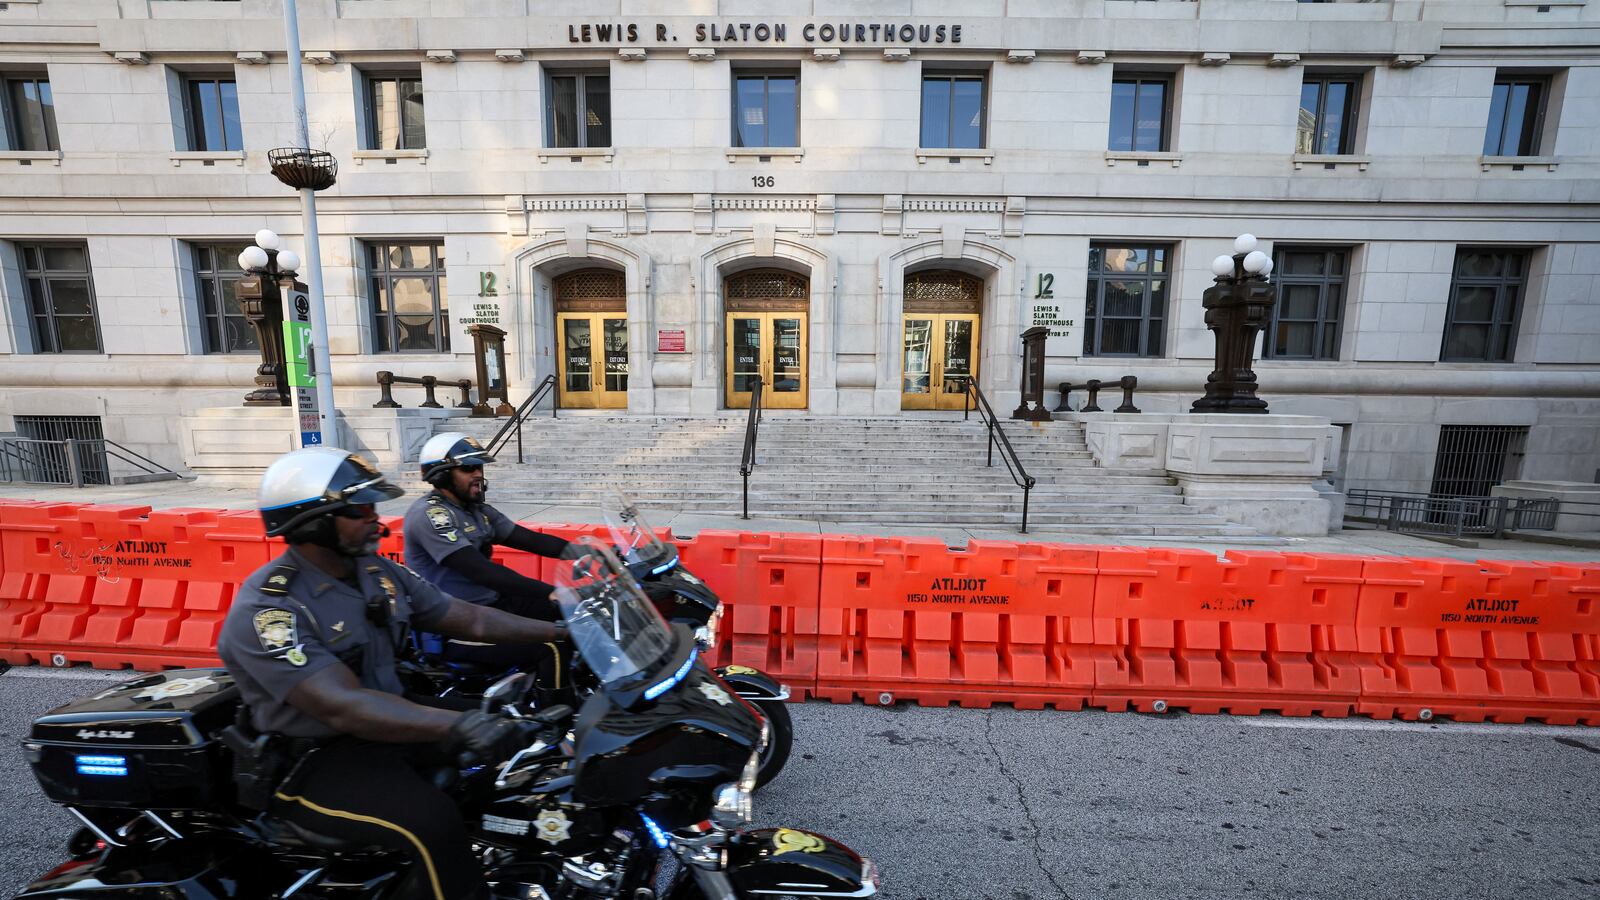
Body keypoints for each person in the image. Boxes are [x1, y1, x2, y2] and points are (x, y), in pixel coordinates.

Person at [217, 446, 568, 900]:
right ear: (313, 522)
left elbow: (469, 618)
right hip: (317, 758)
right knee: (433, 823)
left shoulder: (374, 571)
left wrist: (563, 631)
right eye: (360, 509)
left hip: (391, 719)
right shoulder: (271, 609)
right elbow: (344, 706)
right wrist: (460, 724)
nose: (374, 517)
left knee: (527, 745)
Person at [402, 433, 571, 669]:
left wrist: (584, 551)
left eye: (479, 467)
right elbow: (481, 571)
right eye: (468, 468)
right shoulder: (430, 516)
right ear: (442, 476)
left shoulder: (476, 510)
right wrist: (550, 591)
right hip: (457, 624)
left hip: (492, 606)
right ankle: (558, 695)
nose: (478, 474)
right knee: (553, 647)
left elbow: (530, 540)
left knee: (579, 615)